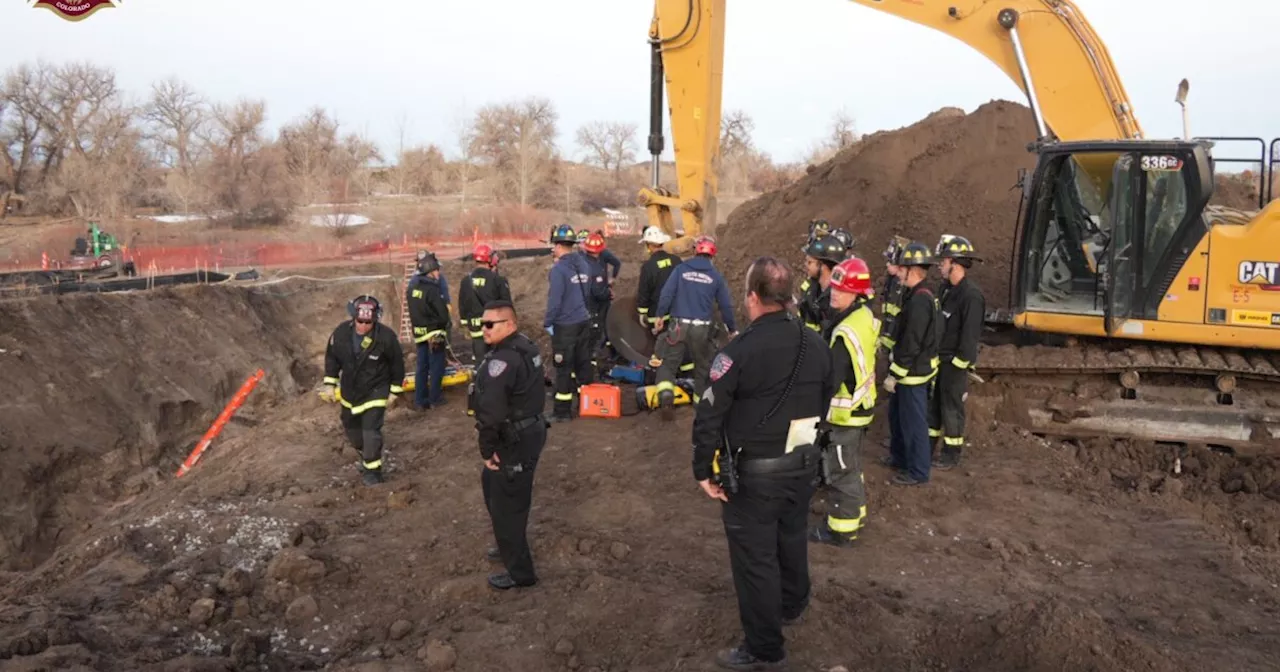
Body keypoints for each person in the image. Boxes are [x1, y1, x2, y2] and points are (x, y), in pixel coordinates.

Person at [691, 256, 832, 671]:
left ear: (753, 298)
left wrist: (702, 469)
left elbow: (709, 415)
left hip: (755, 477)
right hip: (803, 465)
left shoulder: (738, 351)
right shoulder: (818, 344)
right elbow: (827, 396)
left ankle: (765, 649)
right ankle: (793, 603)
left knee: (755, 561)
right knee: (791, 538)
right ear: (788, 297)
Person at [470, 300, 549, 590]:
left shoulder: (501, 361)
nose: (484, 329)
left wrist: (486, 449)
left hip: (514, 438)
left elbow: (491, 413)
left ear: (510, 325)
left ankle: (520, 573)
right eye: (482, 324)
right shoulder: (524, 346)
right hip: (529, 430)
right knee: (493, 487)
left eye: (491, 324)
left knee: (508, 504)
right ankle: (507, 544)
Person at [810, 257, 879, 547]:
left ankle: (842, 529)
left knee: (840, 471)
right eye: (834, 288)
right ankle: (857, 513)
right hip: (861, 408)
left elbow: (831, 378)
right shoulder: (862, 317)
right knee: (850, 466)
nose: (834, 294)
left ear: (857, 294)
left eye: (842, 290)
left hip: (846, 414)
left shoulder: (843, 333)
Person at [322, 295, 406, 486]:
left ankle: (373, 471)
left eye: (368, 322)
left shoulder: (385, 337)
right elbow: (332, 358)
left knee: (371, 431)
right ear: (354, 318)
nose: (364, 326)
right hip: (350, 392)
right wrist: (330, 383)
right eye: (360, 321)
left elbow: (397, 364)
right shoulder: (341, 334)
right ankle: (367, 453)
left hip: (376, 390)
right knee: (352, 431)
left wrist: (394, 390)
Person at [653, 235, 736, 419]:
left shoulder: (681, 269)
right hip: (702, 329)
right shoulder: (715, 276)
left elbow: (666, 294)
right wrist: (732, 329)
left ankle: (666, 395)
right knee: (702, 368)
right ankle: (701, 407)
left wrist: (660, 316)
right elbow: (726, 306)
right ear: (713, 255)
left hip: (678, 326)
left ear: (695, 251)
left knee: (668, 364)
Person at [884, 242, 940, 486]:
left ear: (913, 270)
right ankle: (900, 458)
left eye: (903, 268)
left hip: (913, 373)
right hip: (912, 370)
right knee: (897, 416)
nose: (899, 273)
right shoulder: (918, 295)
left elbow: (912, 342)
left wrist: (894, 374)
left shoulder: (919, 301)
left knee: (914, 422)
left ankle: (918, 471)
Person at [930, 234, 985, 470]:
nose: (940, 265)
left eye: (944, 261)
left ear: (956, 263)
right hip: (939, 359)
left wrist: (960, 363)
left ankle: (951, 453)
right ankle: (928, 447)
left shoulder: (971, 296)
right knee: (933, 407)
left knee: (951, 408)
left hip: (955, 363)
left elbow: (970, 335)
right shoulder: (945, 290)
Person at [544, 224, 595, 422]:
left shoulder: (559, 270)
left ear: (557, 246)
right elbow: (587, 292)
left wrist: (548, 322)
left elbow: (554, 301)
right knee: (583, 364)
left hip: (565, 326)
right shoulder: (583, 265)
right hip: (583, 321)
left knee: (563, 368)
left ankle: (562, 412)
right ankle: (587, 403)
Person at [407, 252, 451, 410]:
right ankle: (435, 398)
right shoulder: (432, 289)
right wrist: (444, 323)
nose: (439, 273)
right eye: (437, 270)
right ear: (430, 270)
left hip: (419, 333)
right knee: (437, 365)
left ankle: (420, 401)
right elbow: (443, 314)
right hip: (434, 333)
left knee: (422, 367)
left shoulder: (412, 288)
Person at [458, 243, 512, 362]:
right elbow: (507, 306)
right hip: (495, 329)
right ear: (489, 259)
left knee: (481, 363)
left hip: (476, 330)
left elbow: (462, 305)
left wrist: (466, 324)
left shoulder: (466, 281)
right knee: (498, 363)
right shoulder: (497, 280)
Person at [580, 231, 620, 370]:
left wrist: (610, 282)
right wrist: (608, 293)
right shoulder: (592, 267)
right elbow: (597, 292)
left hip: (593, 299)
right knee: (597, 329)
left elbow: (617, 263)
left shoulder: (589, 260)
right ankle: (593, 358)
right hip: (595, 301)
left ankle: (608, 350)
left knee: (603, 325)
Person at [797, 234, 846, 334]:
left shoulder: (838, 298)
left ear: (822, 266)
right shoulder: (811, 290)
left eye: (809, 262)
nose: (805, 265)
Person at [635, 226, 681, 329]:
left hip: (656, 317)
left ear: (649, 245)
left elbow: (644, 292)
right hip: (676, 313)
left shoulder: (648, 266)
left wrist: (642, 312)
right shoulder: (676, 260)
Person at [878, 237, 909, 352]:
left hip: (894, 341)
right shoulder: (891, 279)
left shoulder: (901, 285)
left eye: (890, 261)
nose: (887, 265)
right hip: (888, 333)